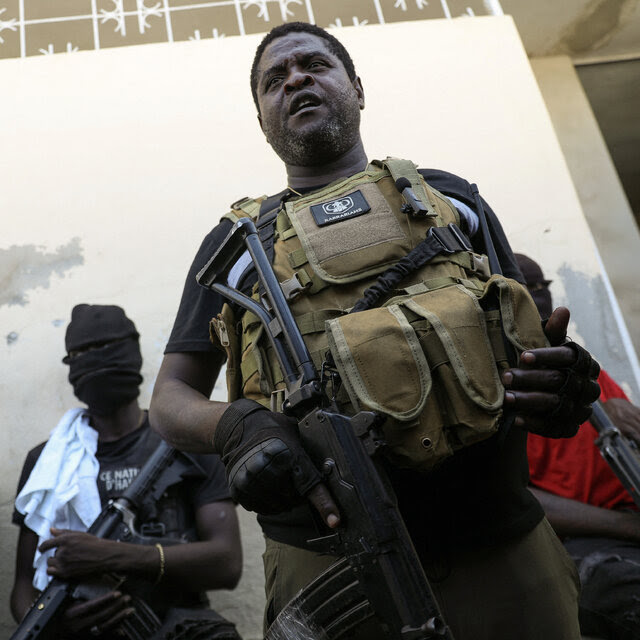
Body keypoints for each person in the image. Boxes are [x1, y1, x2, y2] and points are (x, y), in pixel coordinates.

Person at [150, 22, 600, 640]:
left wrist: (560, 379)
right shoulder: (236, 246)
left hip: (501, 545)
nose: (296, 80)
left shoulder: (451, 201)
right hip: (333, 561)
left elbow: (522, 335)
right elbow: (169, 400)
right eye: (274, 80)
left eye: (314, 64)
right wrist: (236, 426)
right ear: (262, 121)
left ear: (358, 89)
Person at [11, 304, 243, 639]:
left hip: (183, 627)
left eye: (106, 348)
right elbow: (22, 589)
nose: (95, 360)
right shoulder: (46, 463)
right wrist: (59, 623)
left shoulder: (184, 440)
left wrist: (114, 555)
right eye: (81, 353)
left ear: (131, 352)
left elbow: (226, 563)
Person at [517, 253, 640, 640]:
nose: (538, 297)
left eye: (542, 286)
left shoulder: (580, 367)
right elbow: (522, 499)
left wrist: (623, 414)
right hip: (585, 542)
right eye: (525, 288)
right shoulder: (502, 386)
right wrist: (626, 526)